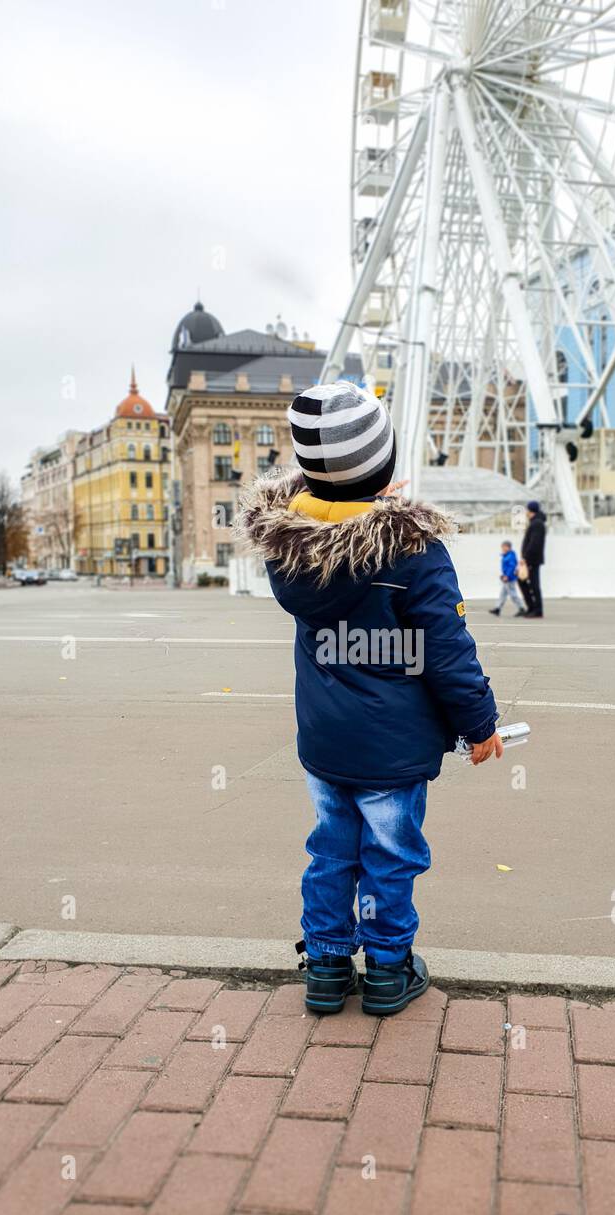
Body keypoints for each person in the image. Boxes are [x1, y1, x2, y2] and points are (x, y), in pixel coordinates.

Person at [238, 381, 502, 1017]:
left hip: (326, 739)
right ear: (386, 470)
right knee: (390, 855)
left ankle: (327, 967)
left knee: (331, 849)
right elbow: (447, 650)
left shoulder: (289, 550)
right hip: (395, 747)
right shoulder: (413, 550)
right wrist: (481, 723)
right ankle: (387, 968)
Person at [519, 500, 546, 618]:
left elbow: (534, 543)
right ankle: (532, 608)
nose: (526, 512)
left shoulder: (537, 524)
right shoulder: (535, 523)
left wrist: (526, 558)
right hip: (531, 559)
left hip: (532, 560)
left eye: (527, 510)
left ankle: (537, 610)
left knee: (534, 585)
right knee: (523, 581)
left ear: (531, 511)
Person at [489, 540, 526, 617]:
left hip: (510, 578)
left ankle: (522, 608)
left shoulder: (510, 556)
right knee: (502, 594)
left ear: (507, 547)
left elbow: (512, 567)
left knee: (513, 594)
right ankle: (497, 608)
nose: (502, 548)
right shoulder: (506, 555)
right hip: (507, 577)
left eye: (503, 547)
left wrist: (507, 576)